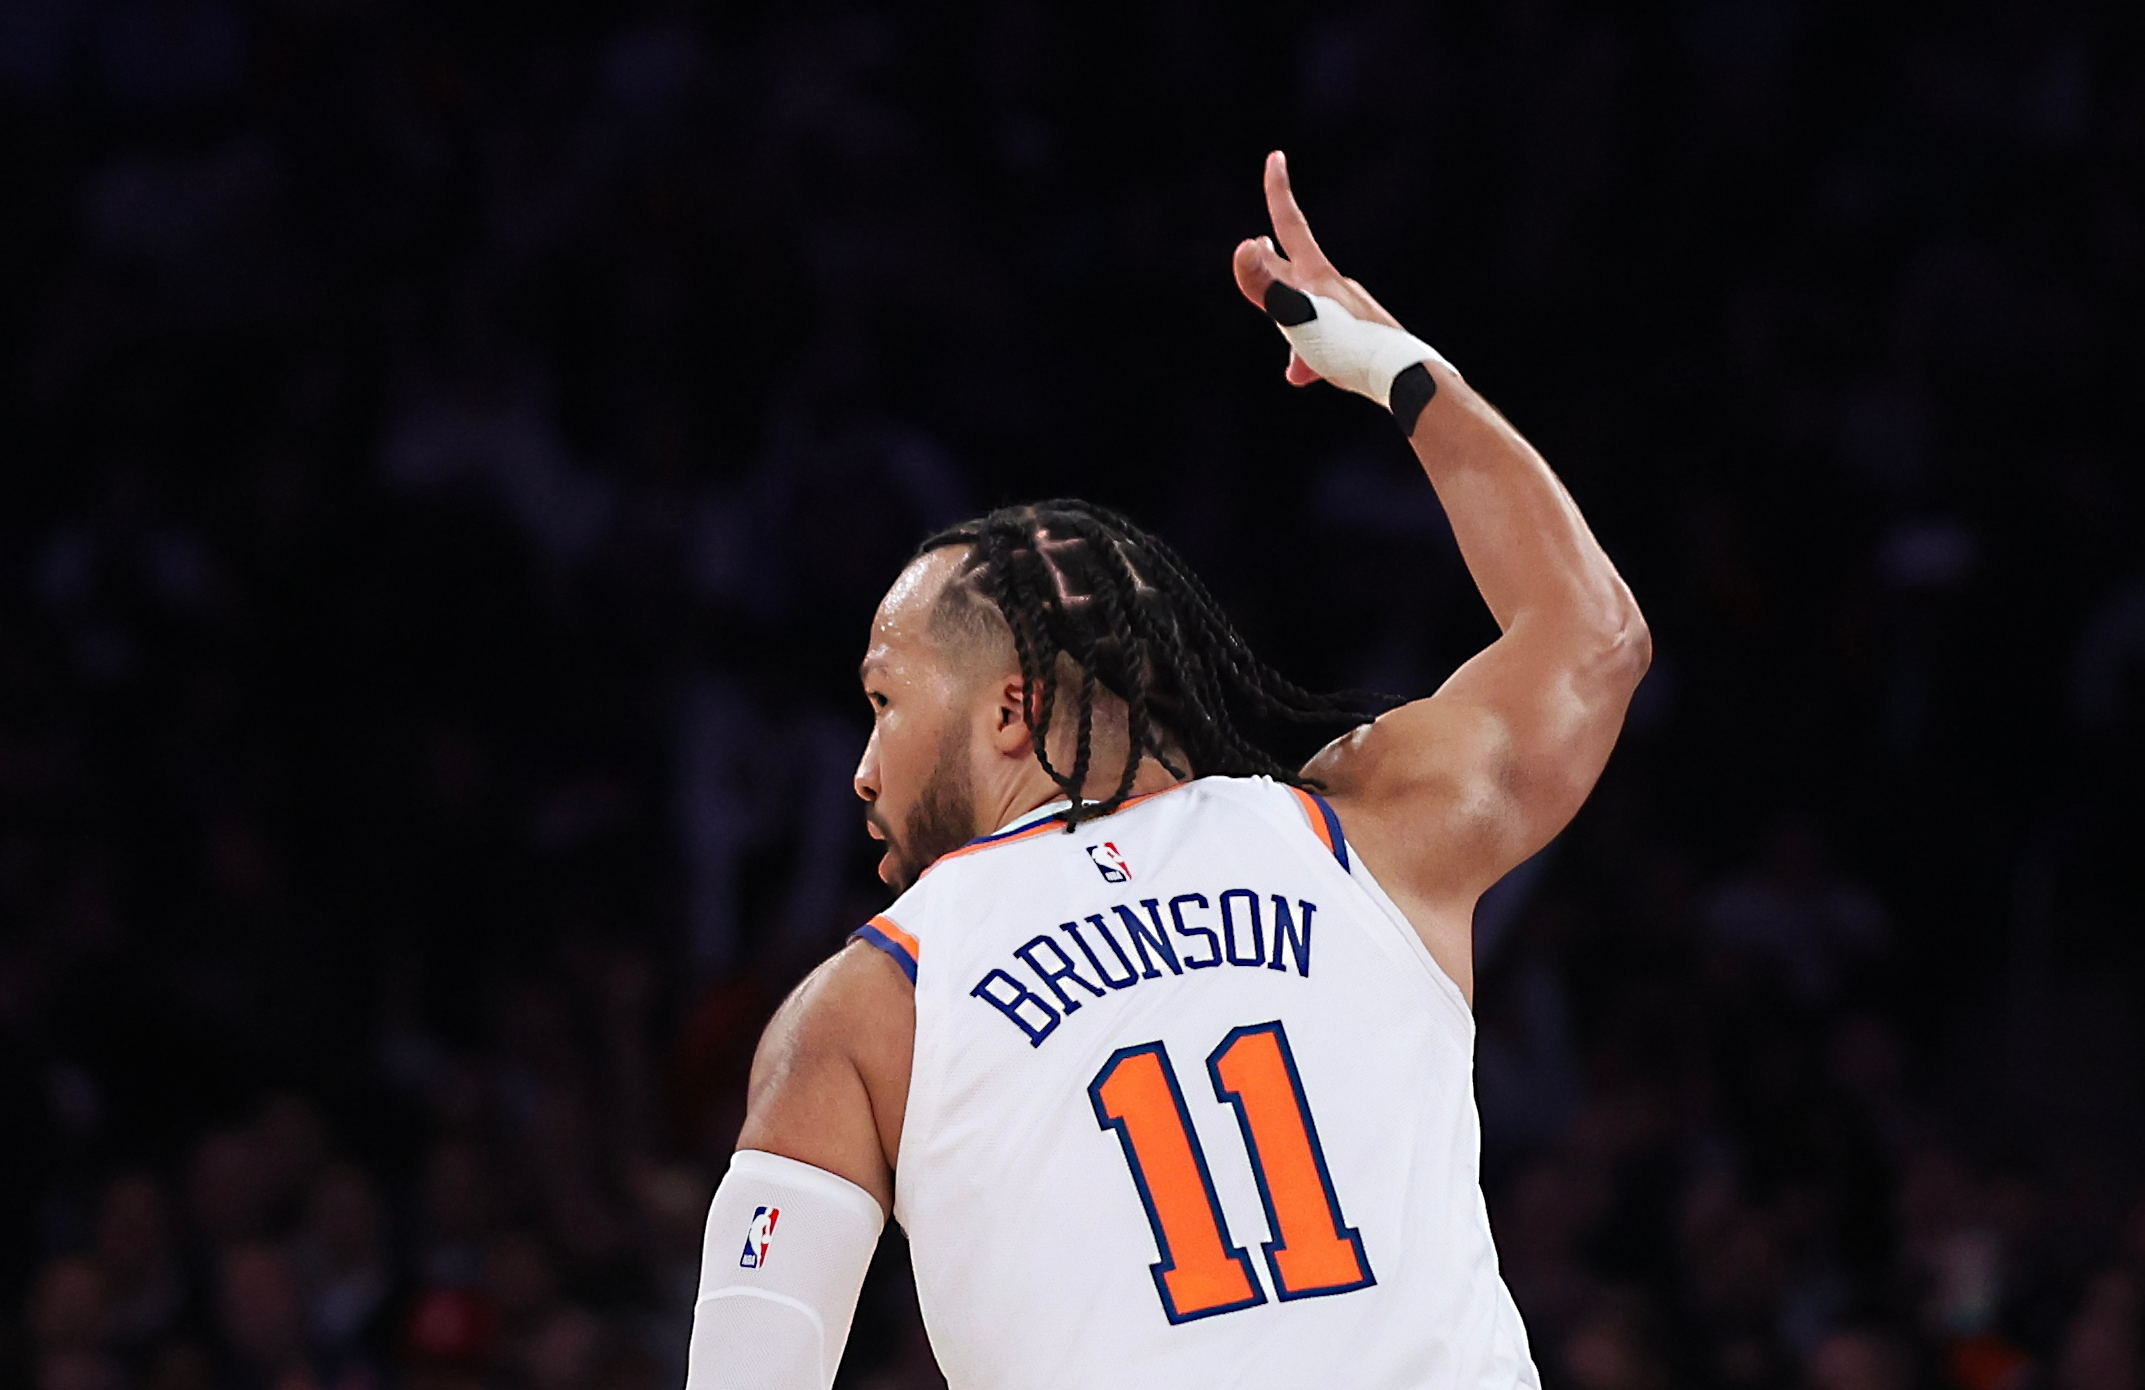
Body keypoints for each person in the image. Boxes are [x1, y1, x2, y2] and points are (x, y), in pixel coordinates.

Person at [683, 152, 1651, 1390]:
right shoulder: (1359, 837)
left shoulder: (872, 1002)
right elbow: (1590, 639)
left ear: (1011, 713)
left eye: (883, 700)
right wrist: (1396, 368)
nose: (863, 768)